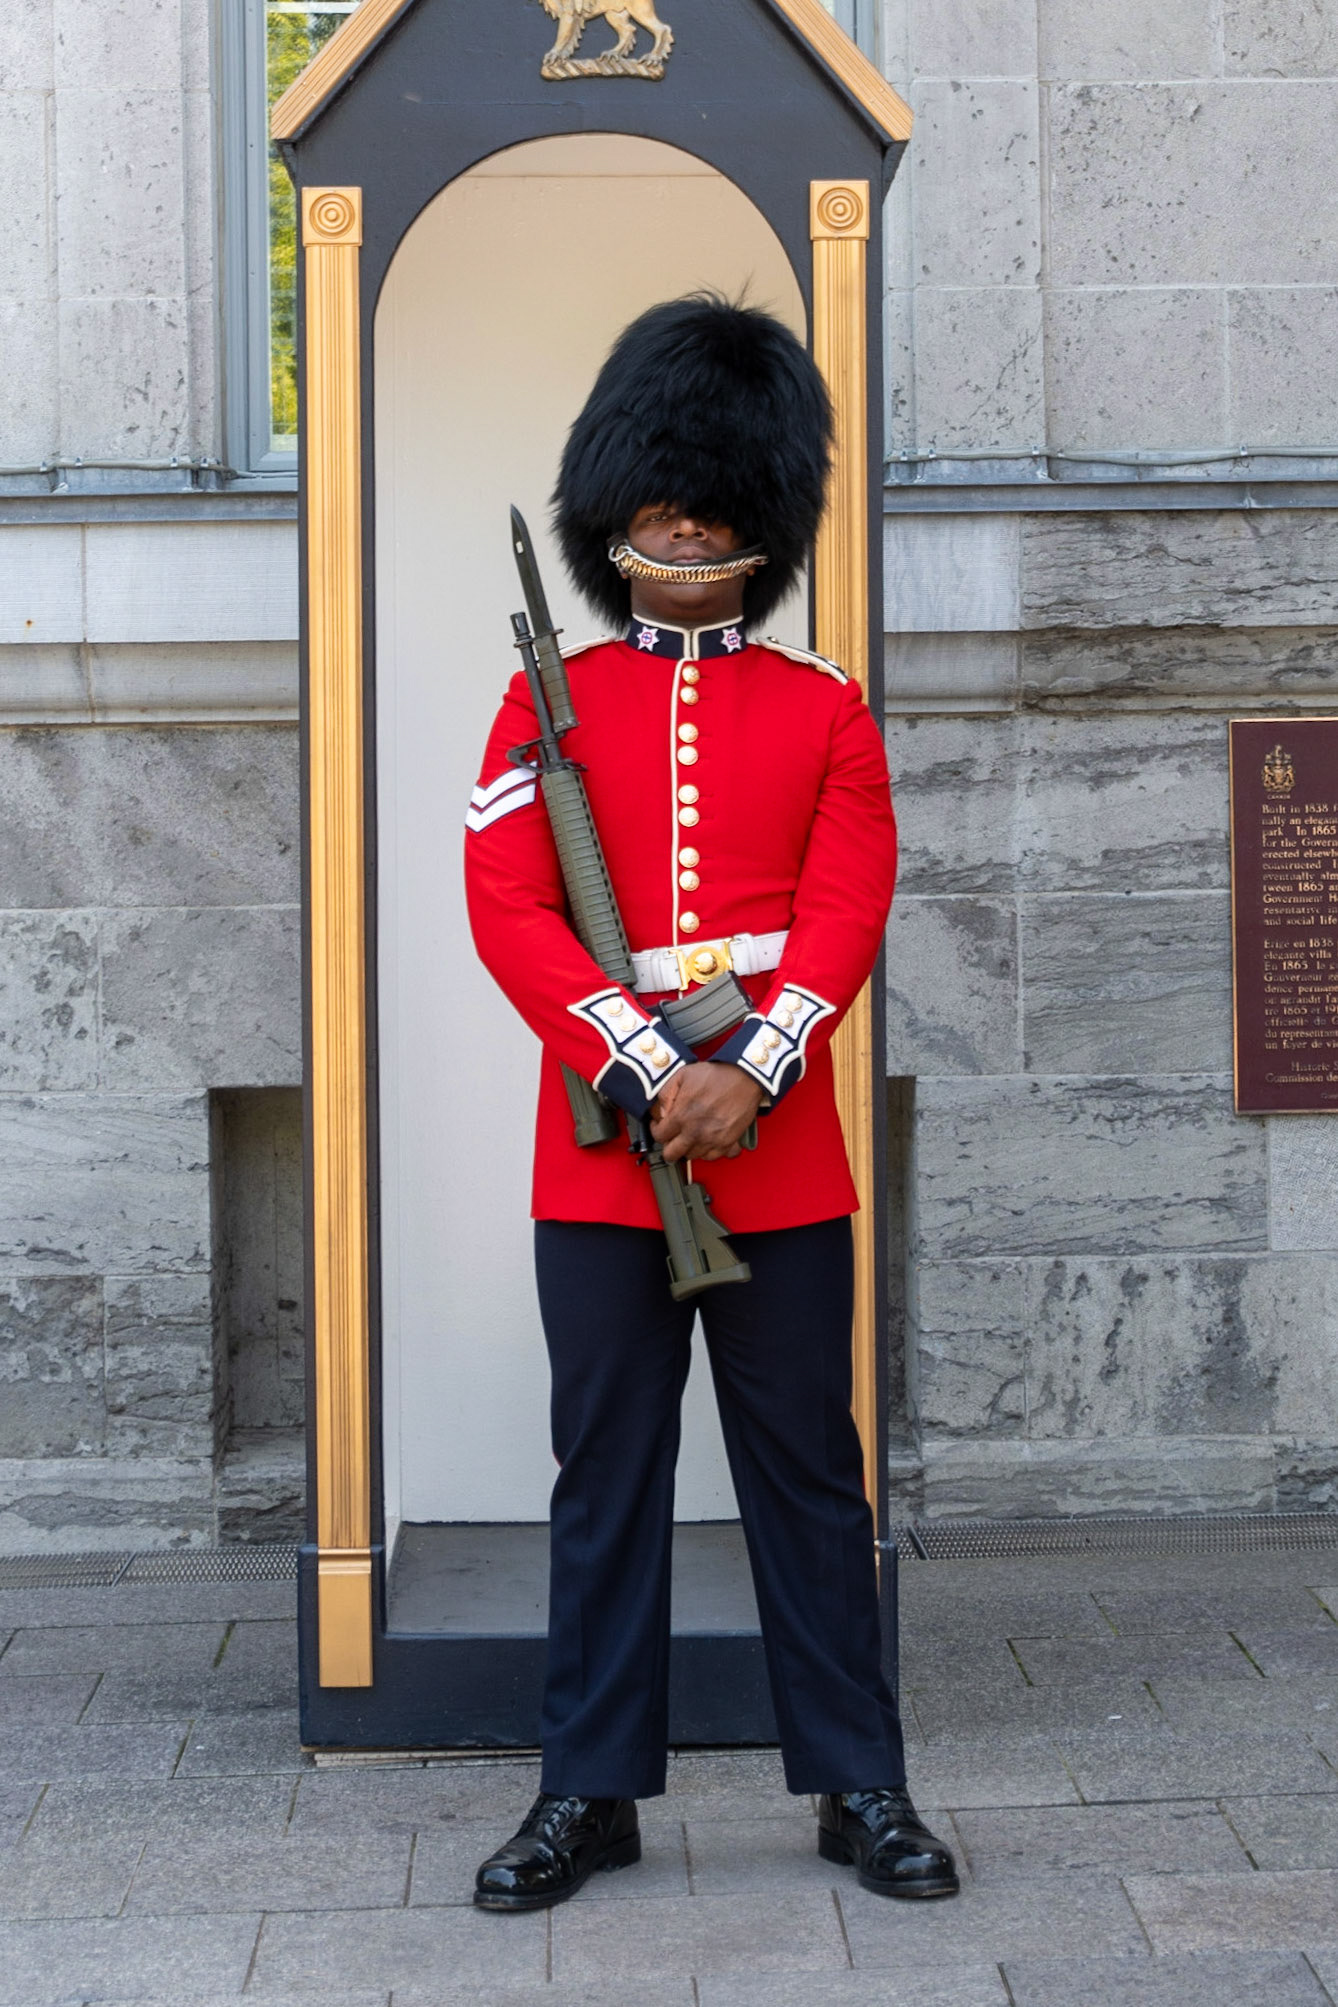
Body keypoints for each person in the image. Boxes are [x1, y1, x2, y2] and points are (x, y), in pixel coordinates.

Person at [463, 295, 958, 1910]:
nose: (682, 517)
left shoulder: (822, 706)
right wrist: (637, 1059)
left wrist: (747, 1069)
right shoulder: (548, 702)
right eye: (659, 494)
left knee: (808, 1471)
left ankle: (857, 1784)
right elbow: (507, 904)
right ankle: (586, 1793)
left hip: (777, 1150)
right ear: (620, 509)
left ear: (759, 509)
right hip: (608, 1163)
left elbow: (846, 905)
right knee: (603, 1477)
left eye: (710, 493)